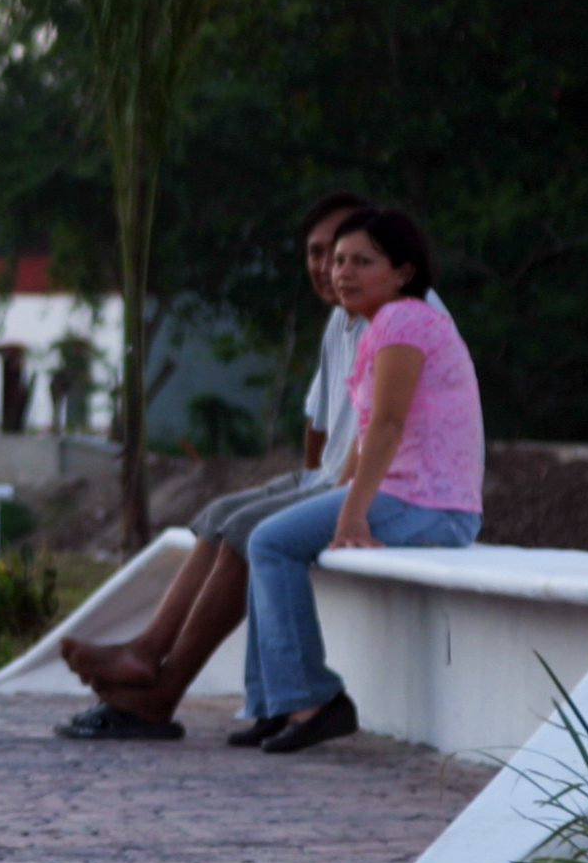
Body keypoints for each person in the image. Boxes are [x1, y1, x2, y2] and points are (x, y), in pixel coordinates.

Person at [54, 189, 375, 741]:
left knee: (256, 530)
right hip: (327, 475)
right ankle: (149, 649)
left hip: (374, 486)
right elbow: (318, 421)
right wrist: (303, 486)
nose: (330, 267)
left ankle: (161, 689)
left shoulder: (394, 317)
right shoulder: (340, 321)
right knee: (221, 512)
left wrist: (319, 507)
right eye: (319, 253)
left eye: (347, 253)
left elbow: (385, 429)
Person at [240, 205, 484, 754]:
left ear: (402, 271)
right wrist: (340, 493)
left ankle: (310, 700)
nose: (341, 272)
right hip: (410, 496)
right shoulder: (382, 325)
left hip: (430, 504)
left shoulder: (405, 319)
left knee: (270, 542)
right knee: (270, 535)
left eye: (362, 262)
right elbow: (367, 429)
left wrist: (350, 511)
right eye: (339, 261)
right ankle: (273, 702)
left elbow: (390, 425)